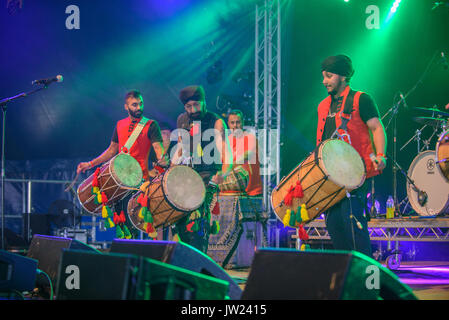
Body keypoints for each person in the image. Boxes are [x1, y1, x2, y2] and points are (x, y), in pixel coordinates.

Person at [317, 54, 387, 257]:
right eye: (323, 76)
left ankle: (364, 274)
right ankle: (345, 273)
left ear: (343, 76)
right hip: (330, 174)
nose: (324, 81)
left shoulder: (361, 99)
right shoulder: (322, 106)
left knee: (352, 222)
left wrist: (381, 155)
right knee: (333, 224)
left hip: (356, 172)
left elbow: (376, 127)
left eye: (329, 76)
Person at [77, 90, 167, 238]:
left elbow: (158, 148)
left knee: (134, 226)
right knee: (122, 227)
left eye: (141, 104)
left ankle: (139, 258)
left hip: (139, 182)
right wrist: (90, 164)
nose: (139, 107)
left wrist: (162, 159)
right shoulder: (120, 125)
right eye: (134, 105)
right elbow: (112, 150)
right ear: (126, 107)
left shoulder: (151, 125)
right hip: (118, 180)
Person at [171, 85, 233, 253]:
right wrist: (170, 167)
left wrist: (222, 174)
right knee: (180, 223)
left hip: (207, 176)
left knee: (198, 224)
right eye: (189, 107)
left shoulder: (216, 122)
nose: (193, 110)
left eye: (196, 105)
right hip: (186, 176)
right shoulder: (182, 120)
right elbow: (180, 149)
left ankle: (198, 265)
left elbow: (227, 155)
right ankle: (184, 263)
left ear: (204, 102)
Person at [221, 109, 262, 196]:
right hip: (233, 192)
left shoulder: (250, 138)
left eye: (238, 122)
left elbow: (246, 156)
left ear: (243, 122)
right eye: (232, 123)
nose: (235, 125)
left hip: (252, 192)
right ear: (228, 124)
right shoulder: (226, 141)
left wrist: (228, 169)